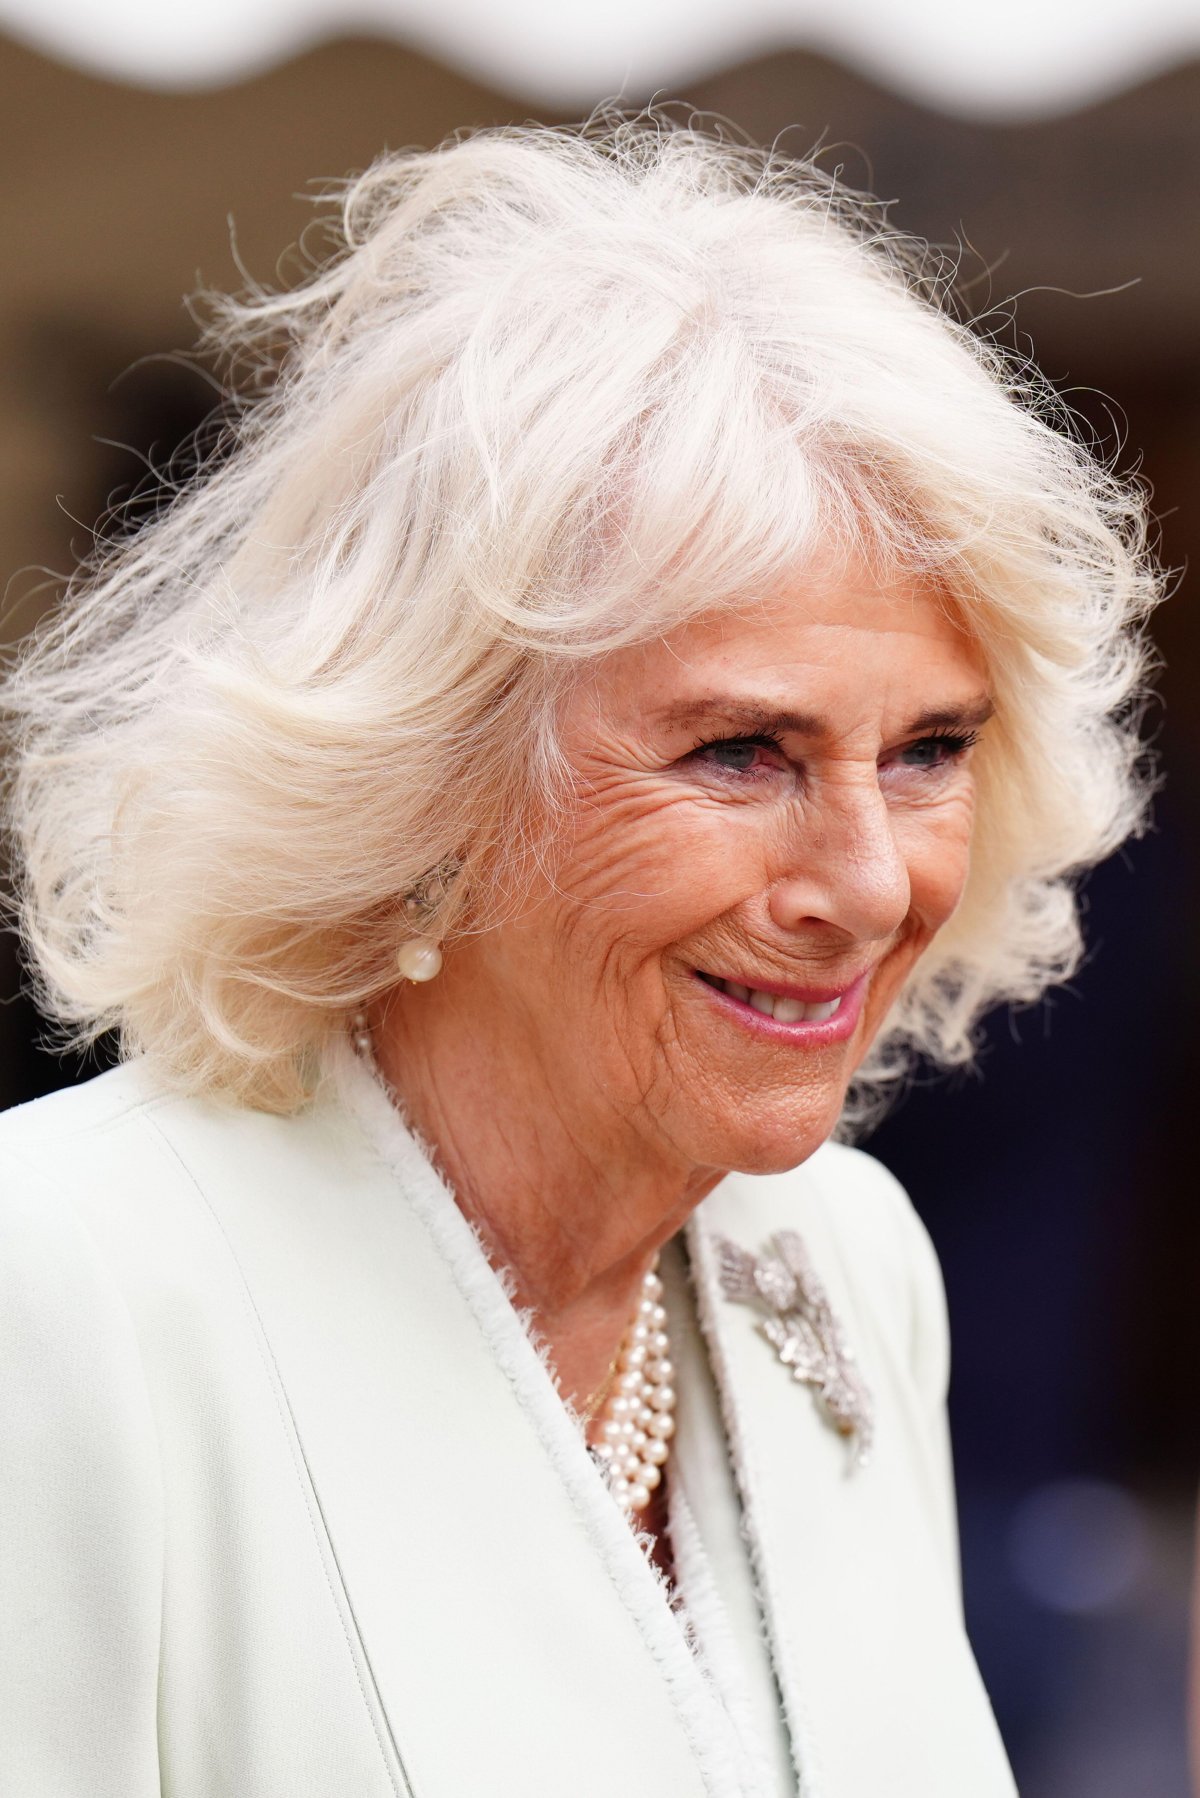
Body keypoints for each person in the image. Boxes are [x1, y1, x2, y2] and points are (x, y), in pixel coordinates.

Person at [0, 116, 1158, 1798]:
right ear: (429, 779)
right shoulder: (66, 1286)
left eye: (928, 749)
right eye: (741, 752)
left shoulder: (842, 1257)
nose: (866, 876)